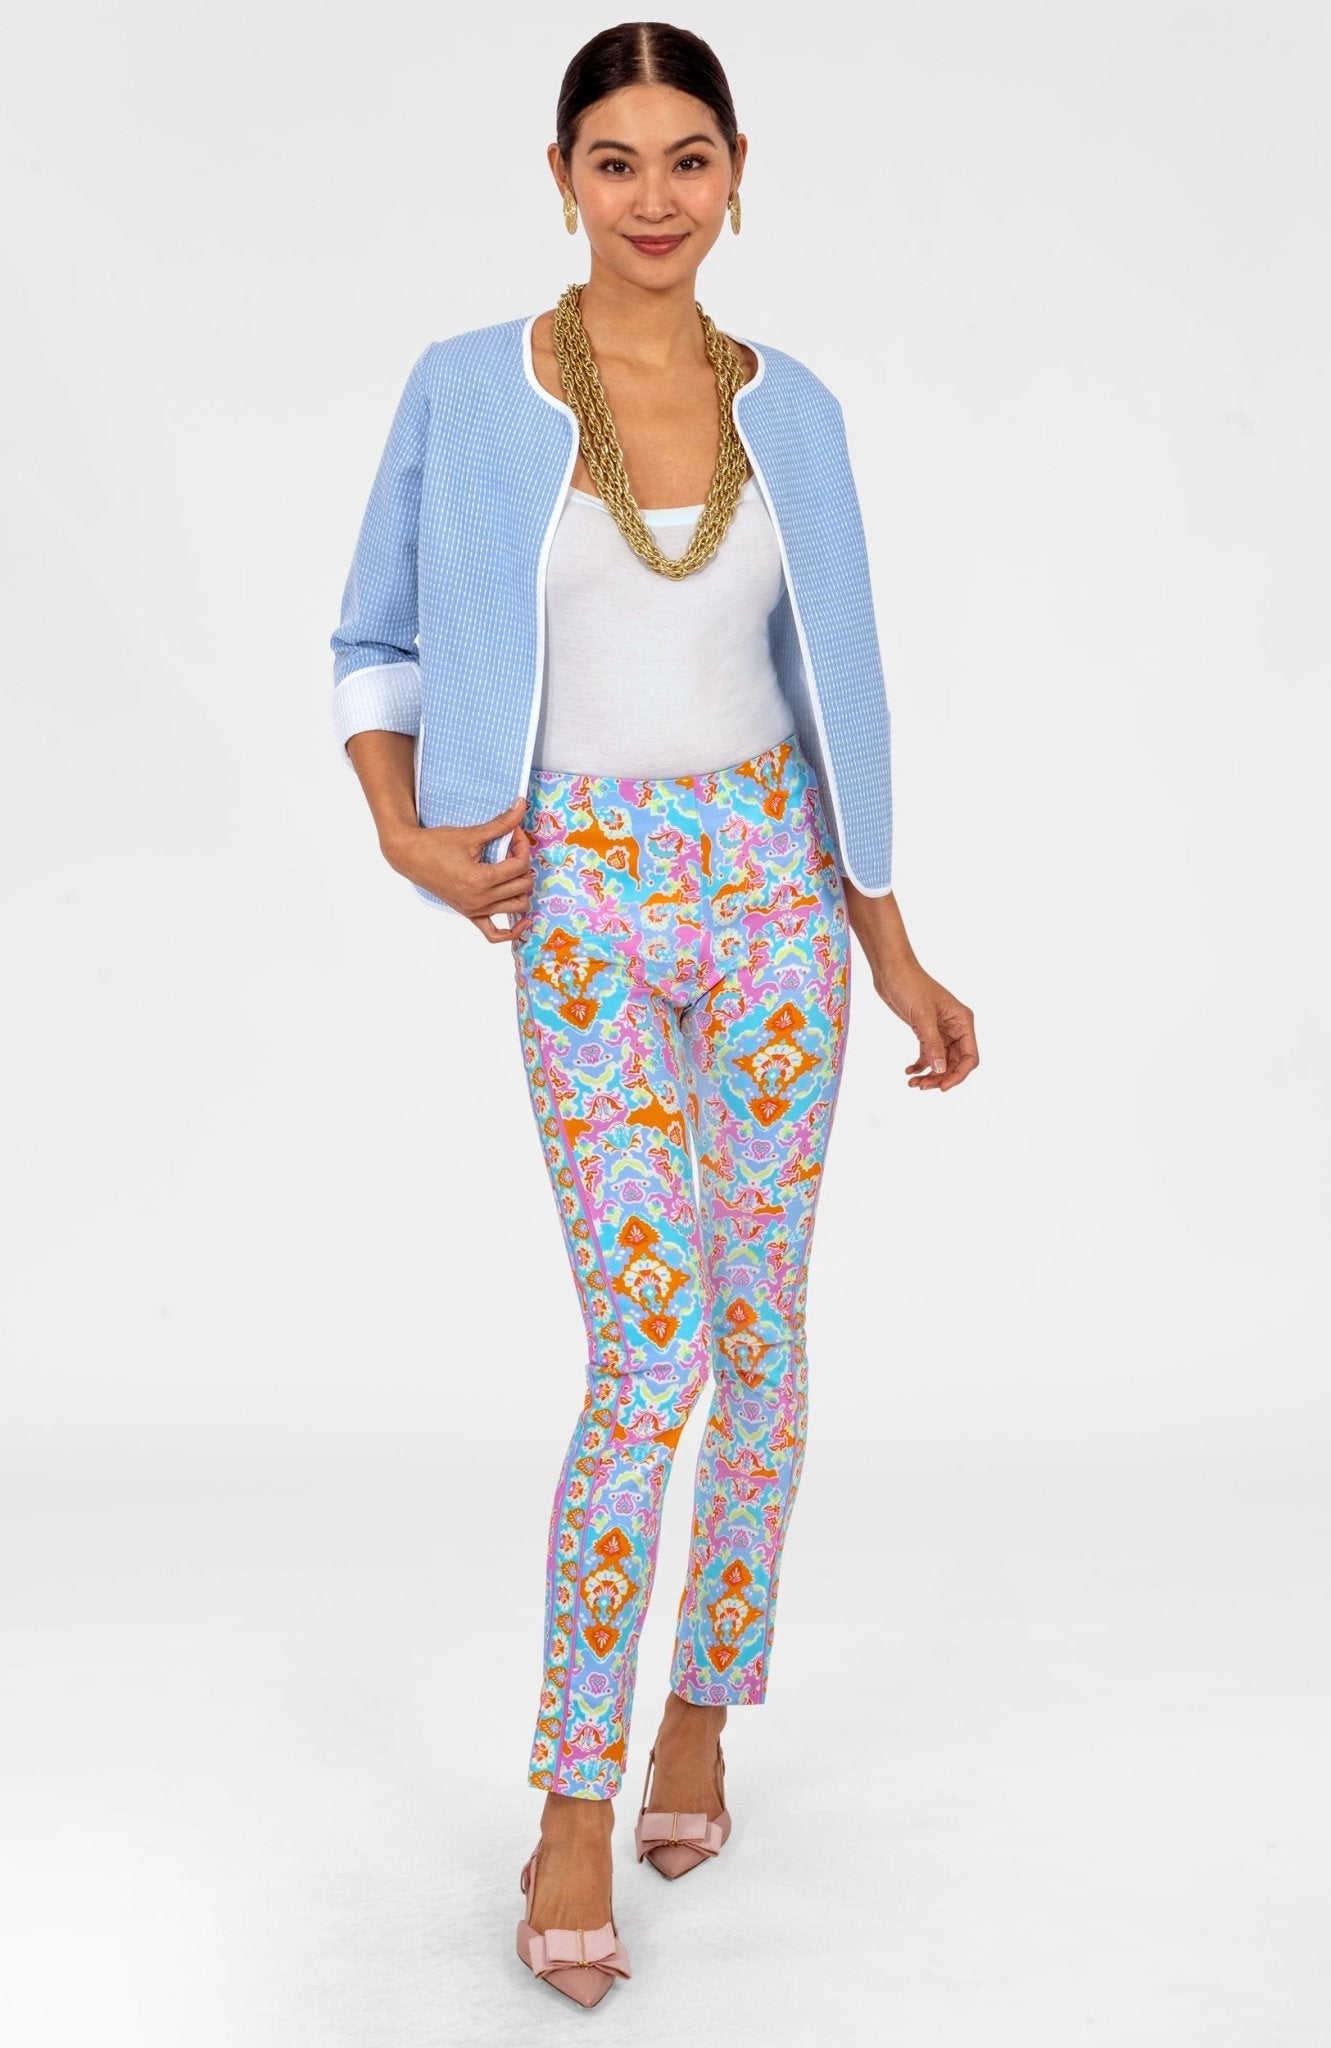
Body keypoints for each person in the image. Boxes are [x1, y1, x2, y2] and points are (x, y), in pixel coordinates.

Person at [329, 20, 979, 2009]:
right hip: (586, 894)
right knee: (650, 1352)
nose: (654, 197)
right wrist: (406, 833)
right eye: (613, 161)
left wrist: (889, 938)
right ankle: (570, 1797)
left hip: (774, 885)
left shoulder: (804, 412)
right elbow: (375, 636)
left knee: (759, 1329)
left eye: (688, 157)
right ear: (561, 180)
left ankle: (706, 1701)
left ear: (738, 170)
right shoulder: (472, 389)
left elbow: (839, 682)